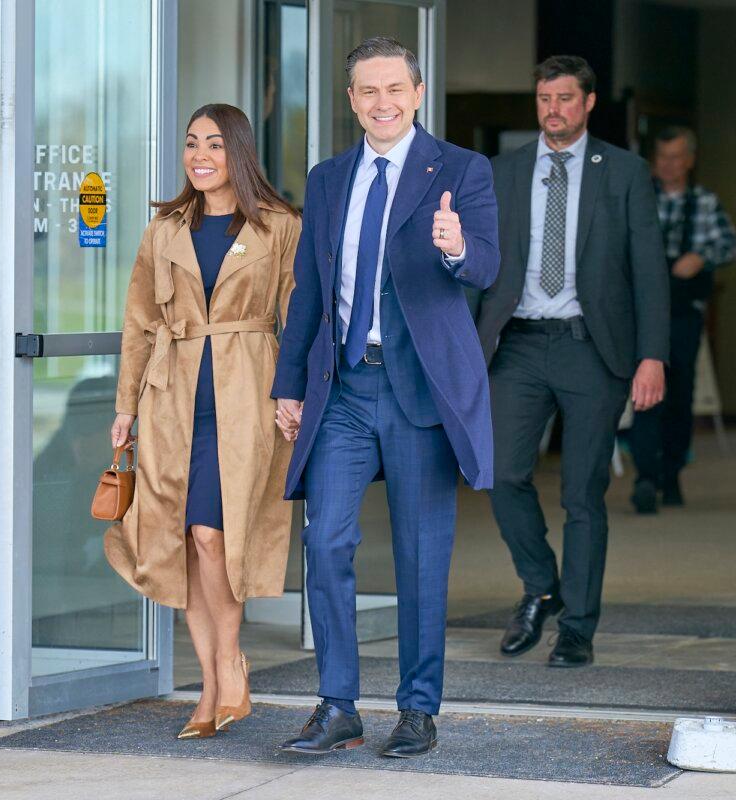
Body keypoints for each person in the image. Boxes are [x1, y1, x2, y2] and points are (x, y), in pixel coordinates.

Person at [271, 37, 499, 758]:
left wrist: (457, 245)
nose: (382, 103)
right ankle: (338, 704)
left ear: (418, 91)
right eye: (368, 91)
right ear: (351, 100)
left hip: (418, 393)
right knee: (326, 539)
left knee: (421, 556)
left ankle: (418, 710)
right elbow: (310, 290)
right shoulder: (330, 178)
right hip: (343, 389)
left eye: (395, 89)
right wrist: (289, 386)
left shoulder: (460, 170)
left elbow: (489, 267)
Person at [105, 103, 301, 740]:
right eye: (191, 143)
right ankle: (212, 687)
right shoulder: (166, 228)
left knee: (219, 534)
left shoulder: (278, 227)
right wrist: (126, 408)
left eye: (214, 144)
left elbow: (301, 318)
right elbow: (138, 322)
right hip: (173, 398)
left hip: (246, 395)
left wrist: (293, 394)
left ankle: (229, 665)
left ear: (237, 152)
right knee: (184, 537)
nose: (200, 155)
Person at [473, 55, 668, 669]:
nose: (552, 109)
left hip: (593, 348)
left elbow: (648, 272)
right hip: (520, 346)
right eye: (543, 99)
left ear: (587, 103)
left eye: (564, 98)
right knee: (501, 474)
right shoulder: (501, 172)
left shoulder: (626, 172)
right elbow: (478, 268)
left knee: (583, 494)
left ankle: (577, 627)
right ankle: (541, 585)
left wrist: (652, 356)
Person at [629, 125, 736, 513]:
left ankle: (672, 472)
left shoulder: (704, 201)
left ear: (689, 160)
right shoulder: (638, 196)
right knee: (643, 393)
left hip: (683, 312)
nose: (670, 165)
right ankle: (645, 475)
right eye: (662, 157)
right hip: (640, 310)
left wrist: (701, 257)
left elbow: (731, 244)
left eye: (677, 157)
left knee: (679, 395)